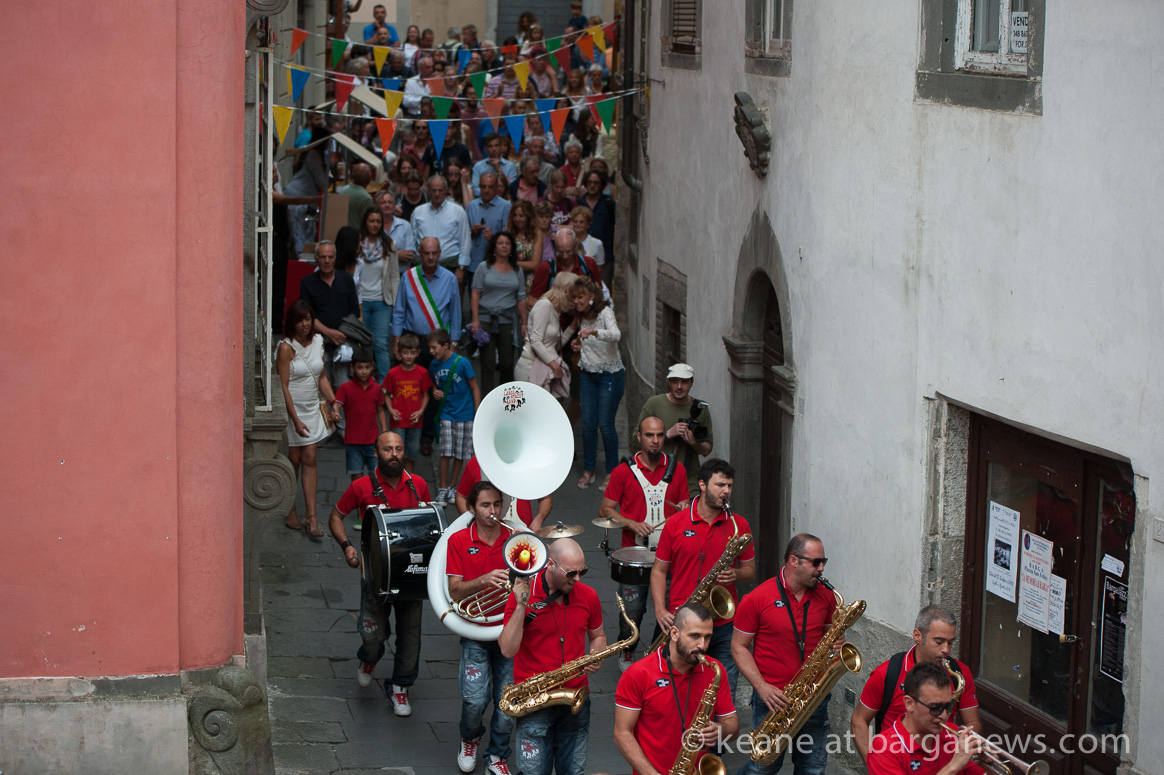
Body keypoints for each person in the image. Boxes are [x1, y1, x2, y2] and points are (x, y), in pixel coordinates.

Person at [327, 432, 431, 717]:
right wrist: (347, 547)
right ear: (376, 453)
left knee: (410, 636)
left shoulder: (419, 485)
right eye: (388, 449)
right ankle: (369, 657)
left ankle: (400, 687)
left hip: (410, 575)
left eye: (398, 448)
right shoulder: (361, 486)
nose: (394, 454)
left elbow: (428, 525)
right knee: (372, 635)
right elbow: (335, 516)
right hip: (374, 575)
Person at [652, 459, 756, 705]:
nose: (726, 491)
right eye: (720, 485)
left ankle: (718, 730)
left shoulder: (738, 525)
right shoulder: (676, 523)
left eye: (729, 486)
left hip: (723, 624)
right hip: (683, 619)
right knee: (676, 693)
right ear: (702, 484)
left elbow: (750, 571)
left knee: (723, 693)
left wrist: (736, 574)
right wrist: (660, 610)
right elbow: (658, 571)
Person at [732, 534, 837, 775]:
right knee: (763, 767)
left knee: (812, 769)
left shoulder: (826, 595)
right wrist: (761, 687)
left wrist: (837, 645)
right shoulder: (757, 598)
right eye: (816, 562)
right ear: (793, 561)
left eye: (823, 562)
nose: (821, 569)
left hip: (813, 698)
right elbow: (738, 647)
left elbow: (830, 636)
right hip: (773, 700)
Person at [500, 538, 606, 775]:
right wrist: (521, 606)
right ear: (549, 564)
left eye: (582, 572)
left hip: (575, 698)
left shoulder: (589, 596)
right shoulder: (523, 595)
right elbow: (507, 649)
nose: (577, 579)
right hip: (534, 699)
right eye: (571, 573)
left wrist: (596, 654)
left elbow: (598, 636)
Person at [600, 416, 691, 668]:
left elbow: (684, 503)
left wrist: (684, 507)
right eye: (649, 435)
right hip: (636, 555)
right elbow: (605, 509)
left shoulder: (678, 470)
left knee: (672, 608)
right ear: (639, 437)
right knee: (632, 609)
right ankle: (627, 648)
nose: (655, 440)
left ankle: (657, 651)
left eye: (660, 435)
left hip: (670, 555)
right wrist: (631, 523)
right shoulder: (622, 472)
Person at [614, 603, 739, 775]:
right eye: (694, 636)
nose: (702, 645)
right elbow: (622, 733)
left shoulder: (715, 670)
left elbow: (732, 724)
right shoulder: (638, 674)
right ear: (674, 633)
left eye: (707, 637)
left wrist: (721, 730)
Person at [447, 481, 518, 775]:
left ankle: (498, 754)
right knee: (475, 700)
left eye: (497, 504)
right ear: (472, 508)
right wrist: (483, 580)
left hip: (508, 629)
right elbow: (454, 590)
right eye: (486, 505)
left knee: (508, 702)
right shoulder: (458, 540)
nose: (493, 511)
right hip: (475, 629)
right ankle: (469, 738)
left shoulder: (514, 539)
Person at [851, 605, 981, 762]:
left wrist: (965, 741)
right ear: (918, 636)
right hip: (898, 761)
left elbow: (972, 723)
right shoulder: (886, 673)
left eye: (950, 643)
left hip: (943, 760)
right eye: (939, 642)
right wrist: (876, 763)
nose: (946, 650)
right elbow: (859, 720)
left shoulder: (960, 673)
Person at [391, 236, 462, 456]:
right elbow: (399, 310)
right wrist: (396, 341)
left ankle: (427, 437)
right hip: (412, 342)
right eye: (426, 253)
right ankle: (404, 432)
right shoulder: (409, 277)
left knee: (434, 391)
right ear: (420, 254)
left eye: (434, 253)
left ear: (440, 253)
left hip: (438, 346)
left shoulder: (450, 279)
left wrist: (454, 344)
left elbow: (455, 313)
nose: (430, 258)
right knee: (408, 388)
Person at [277, 300, 340, 538]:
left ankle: (311, 516)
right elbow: (283, 386)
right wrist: (295, 419)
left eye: (308, 319)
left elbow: (321, 376)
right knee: (293, 460)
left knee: (311, 457)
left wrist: (334, 401)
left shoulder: (318, 342)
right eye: (300, 320)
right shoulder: (286, 348)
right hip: (293, 409)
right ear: (292, 322)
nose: (304, 324)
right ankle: (290, 507)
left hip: (313, 407)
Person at [865, 663, 986, 775]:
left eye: (948, 706)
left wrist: (988, 766)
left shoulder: (953, 736)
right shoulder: (883, 749)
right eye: (935, 708)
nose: (944, 715)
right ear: (909, 703)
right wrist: (953, 767)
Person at [569, 277, 622, 487]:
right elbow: (589, 344)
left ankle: (612, 471)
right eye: (574, 297)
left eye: (580, 297)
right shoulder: (581, 316)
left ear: (591, 296)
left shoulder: (605, 313)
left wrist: (594, 332)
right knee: (588, 424)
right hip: (588, 375)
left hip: (610, 374)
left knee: (606, 424)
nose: (577, 301)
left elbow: (616, 335)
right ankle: (589, 469)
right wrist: (579, 345)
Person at [637, 364, 714, 499]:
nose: (679, 386)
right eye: (675, 381)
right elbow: (635, 442)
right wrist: (667, 434)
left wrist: (694, 443)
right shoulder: (654, 404)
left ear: (691, 383)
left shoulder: (700, 408)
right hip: (655, 477)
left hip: (689, 481)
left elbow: (707, 449)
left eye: (684, 382)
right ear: (669, 383)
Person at [427, 328, 481, 506]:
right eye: (430, 348)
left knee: (460, 453)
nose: (431, 351)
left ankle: (452, 486)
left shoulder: (462, 363)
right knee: (445, 451)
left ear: (446, 345)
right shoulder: (434, 365)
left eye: (434, 347)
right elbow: (434, 384)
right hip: (447, 413)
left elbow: (474, 387)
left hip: (465, 414)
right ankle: (442, 488)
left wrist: (477, 412)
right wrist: (434, 391)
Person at [299, 240, 360, 391]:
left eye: (330, 257)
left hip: (344, 340)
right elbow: (306, 316)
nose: (327, 261)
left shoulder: (347, 279)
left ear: (335, 258)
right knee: (320, 387)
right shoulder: (307, 282)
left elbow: (355, 312)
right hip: (318, 341)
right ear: (316, 259)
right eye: (323, 257)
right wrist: (329, 333)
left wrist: (341, 334)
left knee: (343, 386)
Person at [470, 231, 526, 393]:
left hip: (508, 319)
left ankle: (505, 398)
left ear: (512, 248)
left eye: (507, 243)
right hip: (485, 318)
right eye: (500, 243)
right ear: (494, 247)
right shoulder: (484, 267)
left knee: (507, 363)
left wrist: (524, 324)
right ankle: (487, 399)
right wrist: (475, 319)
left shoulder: (517, 270)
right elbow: (475, 294)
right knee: (487, 364)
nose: (504, 246)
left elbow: (521, 298)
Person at [355, 208, 401, 380]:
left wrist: (396, 302)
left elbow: (395, 275)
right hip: (361, 301)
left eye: (378, 221)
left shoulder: (390, 244)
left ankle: (384, 384)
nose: (375, 225)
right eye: (371, 221)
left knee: (381, 344)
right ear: (365, 222)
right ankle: (362, 383)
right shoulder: (358, 243)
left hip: (382, 301)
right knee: (362, 344)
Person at [454, 455, 553, 532]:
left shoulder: (525, 463)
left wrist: (538, 520)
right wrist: (473, 520)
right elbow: (461, 496)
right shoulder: (477, 462)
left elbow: (545, 498)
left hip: (521, 527)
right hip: (485, 529)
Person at [334, 347, 388, 482]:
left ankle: (374, 496)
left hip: (373, 441)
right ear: (352, 367)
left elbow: (380, 410)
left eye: (367, 367)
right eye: (360, 367)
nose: (364, 371)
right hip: (353, 441)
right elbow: (337, 404)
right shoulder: (345, 388)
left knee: (376, 476)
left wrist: (384, 432)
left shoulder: (377, 388)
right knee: (356, 477)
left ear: (372, 367)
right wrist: (335, 413)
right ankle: (358, 497)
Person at [515, 271, 577, 385]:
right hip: (529, 368)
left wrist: (573, 326)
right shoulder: (544, 305)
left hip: (542, 369)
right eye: (574, 294)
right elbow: (535, 341)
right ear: (566, 289)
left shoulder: (556, 310)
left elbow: (553, 347)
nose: (576, 300)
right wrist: (555, 366)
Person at [382, 332, 432, 473]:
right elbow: (386, 395)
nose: (409, 356)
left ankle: (408, 477)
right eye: (405, 353)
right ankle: (398, 475)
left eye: (412, 353)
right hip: (398, 420)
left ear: (418, 353)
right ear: (399, 353)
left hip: (415, 420)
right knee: (397, 451)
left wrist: (420, 411)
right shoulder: (393, 373)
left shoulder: (422, 373)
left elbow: (426, 395)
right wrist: (391, 410)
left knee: (413, 450)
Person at [410, 175, 473, 277]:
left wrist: (461, 268)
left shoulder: (458, 211)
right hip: (422, 267)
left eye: (440, 190)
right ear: (428, 190)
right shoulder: (418, 212)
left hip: (450, 266)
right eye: (434, 190)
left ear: (446, 190)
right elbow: (412, 240)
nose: (437, 194)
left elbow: (465, 241)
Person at [284, 126, 331, 255]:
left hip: (305, 199)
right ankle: (300, 260)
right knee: (300, 237)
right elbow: (321, 182)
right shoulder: (313, 155)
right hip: (298, 199)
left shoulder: (315, 154)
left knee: (306, 236)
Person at [527, 228, 601, 301]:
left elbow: (598, 294)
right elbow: (532, 300)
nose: (565, 256)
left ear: (575, 246)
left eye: (569, 252)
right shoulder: (545, 268)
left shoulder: (588, 264)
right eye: (560, 252)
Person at [466, 173, 513, 281]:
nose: (487, 190)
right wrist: (472, 232)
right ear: (479, 186)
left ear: (496, 187)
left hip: (496, 265)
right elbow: (464, 235)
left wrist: (494, 238)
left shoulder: (506, 207)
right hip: (474, 263)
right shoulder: (471, 206)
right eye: (483, 187)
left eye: (490, 187)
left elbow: (508, 236)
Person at [580, 169, 616, 287]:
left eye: (596, 182)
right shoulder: (579, 203)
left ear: (601, 185)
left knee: (602, 289)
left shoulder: (609, 203)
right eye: (589, 182)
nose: (592, 185)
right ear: (585, 184)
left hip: (605, 257)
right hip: (583, 256)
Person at [472, 134, 520, 198]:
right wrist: (491, 195)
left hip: (505, 200)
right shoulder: (478, 166)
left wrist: (498, 168)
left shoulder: (510, 166)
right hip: (485, 200)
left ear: (500, 147)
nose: (494, 149)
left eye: (496, 146)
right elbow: (476, 190)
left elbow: (513, 187)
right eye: (490, 146)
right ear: (486, 148)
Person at [340, 163, 377, 231]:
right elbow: (368, 222)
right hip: (357, 234)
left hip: (343, 232)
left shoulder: (344, 190)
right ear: (369, 178)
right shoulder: (366, 198)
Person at [569, 205, 605, 271]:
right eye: (575, 221)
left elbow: (599, 269)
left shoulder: (597, 244)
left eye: (581, 222)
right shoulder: (566, 241)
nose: (578, 224)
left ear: (588, 224)